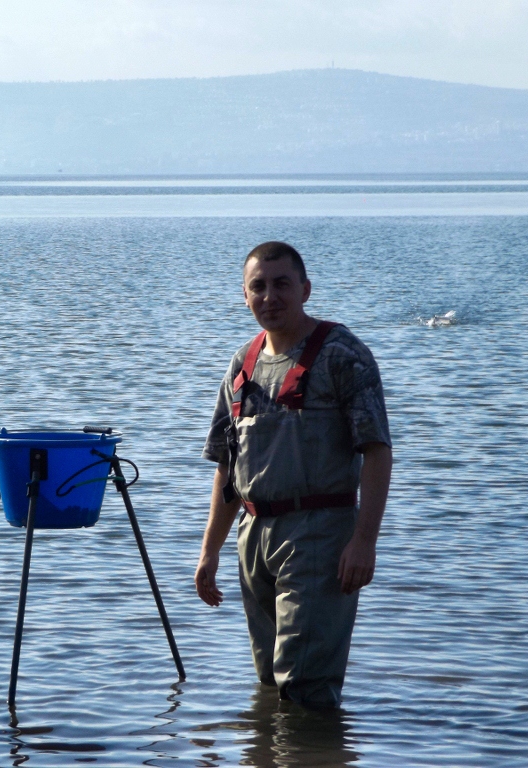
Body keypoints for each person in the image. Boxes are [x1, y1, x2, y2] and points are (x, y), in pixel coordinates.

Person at [195, 241, 392, 709]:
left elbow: (378, 452)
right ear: (244, 296)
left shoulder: (342, 355)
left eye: (282, 284)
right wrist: (209, 552)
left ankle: (315, 754)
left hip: (320, 536)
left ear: (305, 288)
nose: (270, 296)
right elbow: (228, 468)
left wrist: (364, 540)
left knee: (305, 687)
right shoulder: (241, 364)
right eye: (258, 287)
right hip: (253, 535)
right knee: (269, 684)